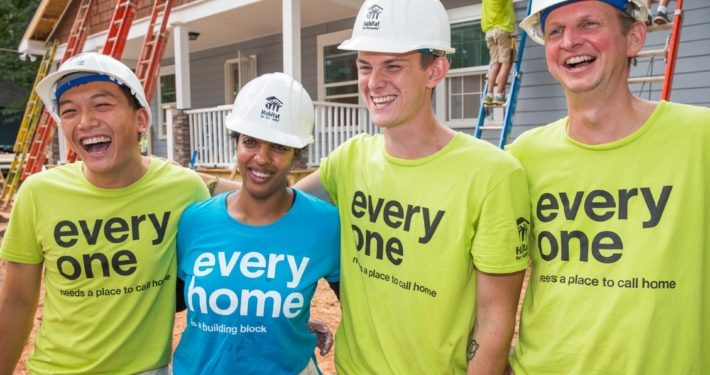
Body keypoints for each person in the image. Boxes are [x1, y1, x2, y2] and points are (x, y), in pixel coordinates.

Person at [296, 0, 531, 373]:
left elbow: (494, 318)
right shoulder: (350, 159)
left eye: (393, 66)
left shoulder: (491, 174)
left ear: (434, 70)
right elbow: (276, 207)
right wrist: (199, 185)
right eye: (365, 67)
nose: (374, 83)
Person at [509, 0, 710, 373]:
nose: (570, 41)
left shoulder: (701, 138)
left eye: (588, 24)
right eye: (556, 30)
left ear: (633, 38)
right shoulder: (521, 157)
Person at [0, 52, 210, 374]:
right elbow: (16, 301)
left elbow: (221, 272)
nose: (85, 122)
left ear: (141, 119)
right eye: (69, 111)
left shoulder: (184, 190)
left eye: (102, 105)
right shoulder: (37, 193)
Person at [172, 72, 340, 375]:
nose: (262, 157)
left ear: (296, 154)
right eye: (250, 142)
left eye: (278, 146)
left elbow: (361, 306)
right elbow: (169, 303)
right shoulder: (194, 220)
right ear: (236, 143)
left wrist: (290, 323)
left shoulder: (325, 225)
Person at [482, 0, 517, 105]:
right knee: (506, 62)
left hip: (489, 32)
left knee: (496, 63)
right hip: (502, 30)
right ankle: (499, 94)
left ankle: (489, 95)